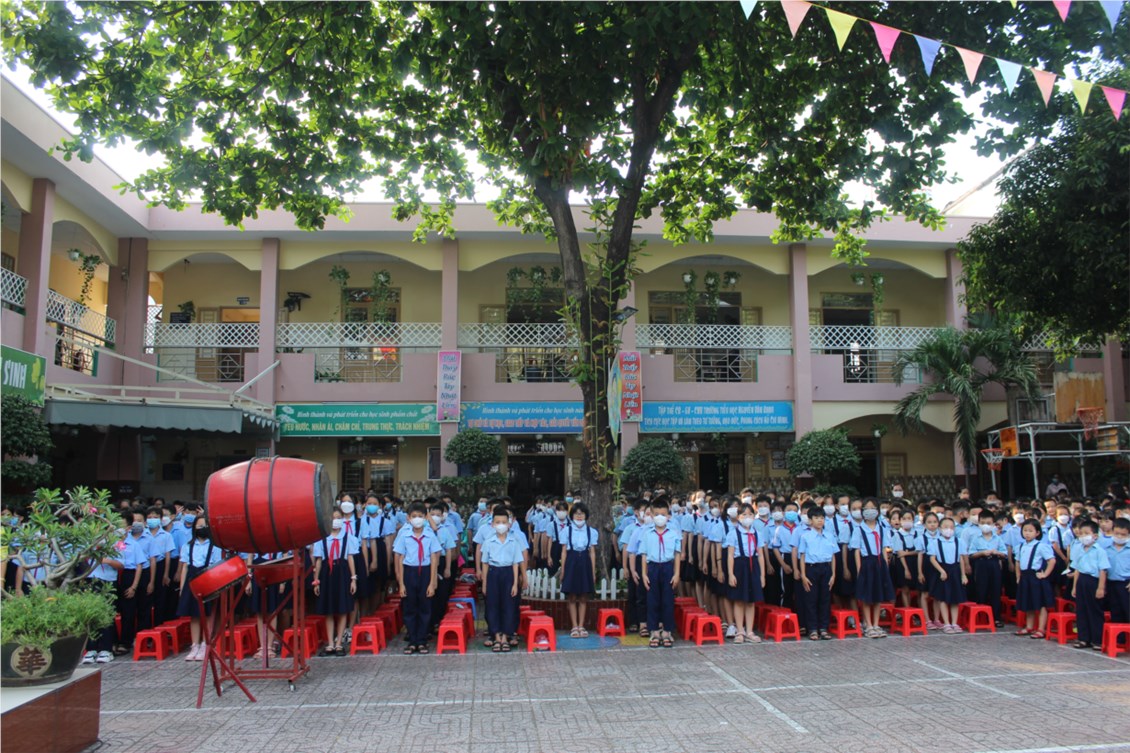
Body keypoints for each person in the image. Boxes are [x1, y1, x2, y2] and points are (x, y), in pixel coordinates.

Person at [393, 502, 441, 654]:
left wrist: (432, 582)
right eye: (414, 517)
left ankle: (422, 640)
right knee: (409, 607)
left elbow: (434, 558)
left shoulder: (430, 535)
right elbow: (400, 558)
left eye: (420, 516)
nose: (417, 519)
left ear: (426, 518)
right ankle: (412, 640)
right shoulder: (404, 535)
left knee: (425, 607)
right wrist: (401, 583)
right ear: (408, 518)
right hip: (409, 572)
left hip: (425, 572)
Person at [311, 509, 360, 656]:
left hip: (343, 573)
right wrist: (316, 580)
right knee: (329, 610)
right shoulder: (322, 539)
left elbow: (350, 558)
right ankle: (330, 644)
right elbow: (319, 561)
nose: (336, 521)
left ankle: (339, 643)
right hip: (327, 574)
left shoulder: (348, 538)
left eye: (339, 518)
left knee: (343, 608)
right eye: (333, 518)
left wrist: (353, 579)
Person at [176, 515, 224, 661]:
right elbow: (184, 567)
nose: (201, 529)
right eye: (198, 526)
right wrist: (182, 587)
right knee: (194, 615)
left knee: (208, 614)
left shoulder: (215, 546)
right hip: (192, 579)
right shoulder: (188, 546)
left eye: (204, 526)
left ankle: (206, 643)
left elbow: (217, 566)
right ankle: (194, 645)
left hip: (208, 577)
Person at [480, 505, 523, 653]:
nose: (501, 525)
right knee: (493, 606)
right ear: (493, 524)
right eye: (498, 522)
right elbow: (485, 563)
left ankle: (506, 636)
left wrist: (515, 583)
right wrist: (485, 582)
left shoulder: (513, 540)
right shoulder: (488, 541)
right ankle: (496, 637)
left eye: (504, 522)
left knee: (508, 606)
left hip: (508, 574)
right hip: (493, 573)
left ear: (509, 523)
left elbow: (516, 563)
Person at [640, 497, 681, 647]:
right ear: (651, 514)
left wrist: (676, 574)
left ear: (668, 515)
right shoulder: (647, 533)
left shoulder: (674, 533)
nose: (660, 517)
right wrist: (644, 574)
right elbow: (644, 555)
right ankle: (654, 631)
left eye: (663, 514)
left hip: (667, 567)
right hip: (653, 568)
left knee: (668, 600)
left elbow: (677, 554)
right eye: (656, 514)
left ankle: (667, 631)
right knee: (652, 600)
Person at [850, 499, 894, 638]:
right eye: (867, 508)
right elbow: (856, 550)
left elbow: (884, 548)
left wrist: (885, 565)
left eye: (873, 507)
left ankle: (876, 624)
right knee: (867, 596)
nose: (870, 510)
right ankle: (867, 624)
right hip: (867, 562)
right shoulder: (859, 529)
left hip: (879, 562)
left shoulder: (882, 528)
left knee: (878, 596)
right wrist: (859, 569)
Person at [797, 505, 837, 641]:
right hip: (811, 568)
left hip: (826, 568)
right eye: (816, 518)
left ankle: (823, 628)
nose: (820, 521)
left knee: (825, 599)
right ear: (810, 520)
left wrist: (833, 574)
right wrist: (803, 575)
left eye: (822, 518)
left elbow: (833, 556)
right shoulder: (805, 536)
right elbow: (802, 556)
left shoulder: (830, 536)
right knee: (811, 599)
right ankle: (812, 629)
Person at [559, 502, 598, 638]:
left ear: (586, 515)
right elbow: (564, 552)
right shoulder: (566, 531)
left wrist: (593, 571)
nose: (579, 516)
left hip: (585, 562)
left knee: (583, 596)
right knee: (572, 596)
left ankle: (581, 625)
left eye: (582, 514)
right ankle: (574, 626)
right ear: (572, 516)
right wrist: (563, 570)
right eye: (576, 514)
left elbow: (592, 552)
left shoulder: (591, 531)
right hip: (571, 561)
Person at [1069, 519, 1109, 650]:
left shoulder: (1099, 551)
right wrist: (1075, 586)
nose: (1083, 536)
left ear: (1095, 536)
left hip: (1093, 581)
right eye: (1081, 534)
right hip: (1082, 580)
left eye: (1086, 533)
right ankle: (1083, 638)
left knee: (1094, 610)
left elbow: (1103, 570)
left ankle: (1097, 639)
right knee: (1081, 610)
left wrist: (1101, 587)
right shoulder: (1079, 549)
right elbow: (1077, 569)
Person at [1013, 519, 1056, 638]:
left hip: (1036, 577)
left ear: (1037, 533)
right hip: (1025, 576)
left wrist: (1045, 574)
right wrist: (1018, 576)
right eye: (1025, 530)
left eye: (1030, 531)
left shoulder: (1041, 546)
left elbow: (1051, 560)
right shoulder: (1020, 546)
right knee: (1028, 603)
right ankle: (1029, 626)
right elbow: (1017, 562)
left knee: (1041, 603)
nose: (1027, 533)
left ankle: (1041, 629)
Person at [966, 510, 1008, 626]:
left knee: (995, 590)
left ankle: (996, 617)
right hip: (981, 564)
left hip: (994, 563)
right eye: (982, 522)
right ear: (979, 523)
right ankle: (981, 617)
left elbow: (1005, 554)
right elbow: (971, 554)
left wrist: (997, 553)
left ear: (993, 524)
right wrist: (982, 553)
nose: (985, 525)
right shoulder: (976, 538)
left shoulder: (997, 538)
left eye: (988, 523)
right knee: (981, 590)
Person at [928, 518, 967, 634]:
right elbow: (932, 558)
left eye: (951, 527)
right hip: (943, 571)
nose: (948, 530)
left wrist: (963, 575)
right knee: (943, 598)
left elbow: (961, 559)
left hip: (955, 570)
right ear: (940, 529)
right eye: (945, 527)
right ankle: (946, 623)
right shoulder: (935, 542)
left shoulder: (958, 541)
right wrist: (941, 571)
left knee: (955, 599)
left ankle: (954, 622)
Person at [1101, 519, 1129, 647]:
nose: (1119, 537)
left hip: (1126, 584)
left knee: (1128, 611)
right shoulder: (1107, 549)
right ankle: (1119, 639)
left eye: (1123, 535)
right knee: (1116, 611)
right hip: (1112, 583)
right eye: (1117, 533)